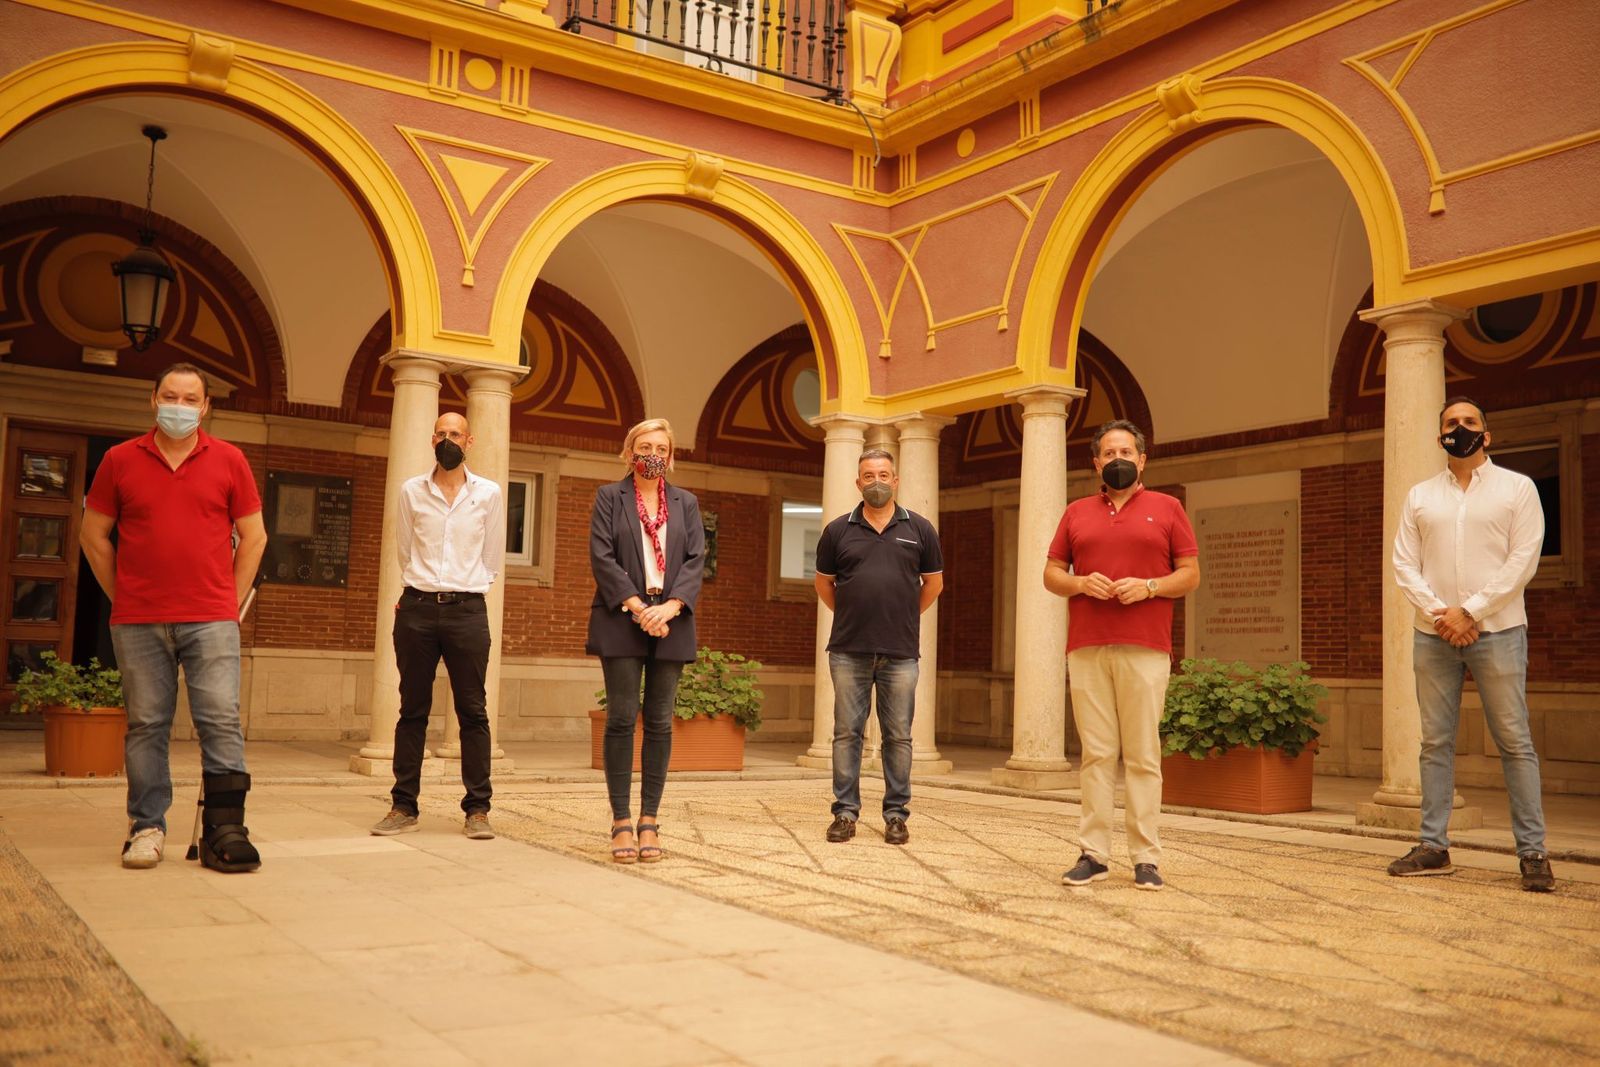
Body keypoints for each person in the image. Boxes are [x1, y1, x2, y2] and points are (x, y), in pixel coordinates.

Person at [81, 362, 268, 873]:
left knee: (221, 721)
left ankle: (225, 829)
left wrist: (228, 603)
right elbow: (93, 536)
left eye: (190, 399)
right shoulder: (119, 460)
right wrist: (123, 596)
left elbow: (254, 537)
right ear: (153, 400)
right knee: (146, 725)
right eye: (170, 396)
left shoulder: (229, 460)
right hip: (138, 621)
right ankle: (146, 827)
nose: (179, 407)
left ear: (205, 407)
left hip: (210, 618)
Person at [1389, 397, 1554, 891]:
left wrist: (1472, 611)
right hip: (1434, 634)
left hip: (1499, 631)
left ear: (1487, 434)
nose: (1459, 429)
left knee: (1514, 742)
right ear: (1439, 435)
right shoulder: (1421, 495)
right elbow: (1403, 563)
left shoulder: (1517, 489)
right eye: (1450, 423)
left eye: (1469, 422)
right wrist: (1442, 614)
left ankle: (1532, 853)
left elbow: (1523, 559)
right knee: (1435, 742)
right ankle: (1433, 846)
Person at [1045, 419, 1199, 891]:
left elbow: (1189, 574)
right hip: (1087, 646)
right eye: (1109, 453)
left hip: (1146, 647)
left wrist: (1150, 586)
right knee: (1096, 755)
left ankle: (1146, 857)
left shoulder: (1168, 508)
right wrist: (1078, 582)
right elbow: (1052, 573)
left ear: (1142, 459)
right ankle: (1093, 853)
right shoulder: (1076, 512)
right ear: (1096, 462)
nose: (1118, 460)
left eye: (1126, 452)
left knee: (1142, 755)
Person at [370, 412, 505, 840]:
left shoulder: (489, 494)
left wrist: (464, 587)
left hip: (467, 610)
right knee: (411, 710)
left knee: (473, 711)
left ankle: (477, 809)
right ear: (432, 439)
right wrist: (424, 590)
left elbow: (493, 555)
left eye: (455, 434)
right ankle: (403, 805)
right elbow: (405, 550)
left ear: (470, 440)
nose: (448, 440)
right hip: (418, 609)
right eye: (441, 434)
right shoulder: (411, 490)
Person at [587, 418, 705, 864]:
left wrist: (670, 607)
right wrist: (638, 607)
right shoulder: (608, 498)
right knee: (620, 717)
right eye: (643, 445)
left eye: (660, 446)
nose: (651, 452)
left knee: (658, 721)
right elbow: (602, 557)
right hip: (623, 616)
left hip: (671, 617)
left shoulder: (686, 503)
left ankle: (649, 819)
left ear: (671, 455)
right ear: (629, 452)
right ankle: (620, 820)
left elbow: (696, 558)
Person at [814, 449, 944, 846]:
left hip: (900, 651)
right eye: (868, 475)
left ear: (896, 480)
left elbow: (933, 586)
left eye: (884, 474)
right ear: (858, 483)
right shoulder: (837, 530)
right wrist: (856, 614)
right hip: (848, 649)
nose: (876, 482)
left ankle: (896, 815)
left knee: (899, 736)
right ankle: (845, 813)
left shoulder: (920, 529)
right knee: (846, 734)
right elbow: (824, 586)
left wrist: (902, 616)